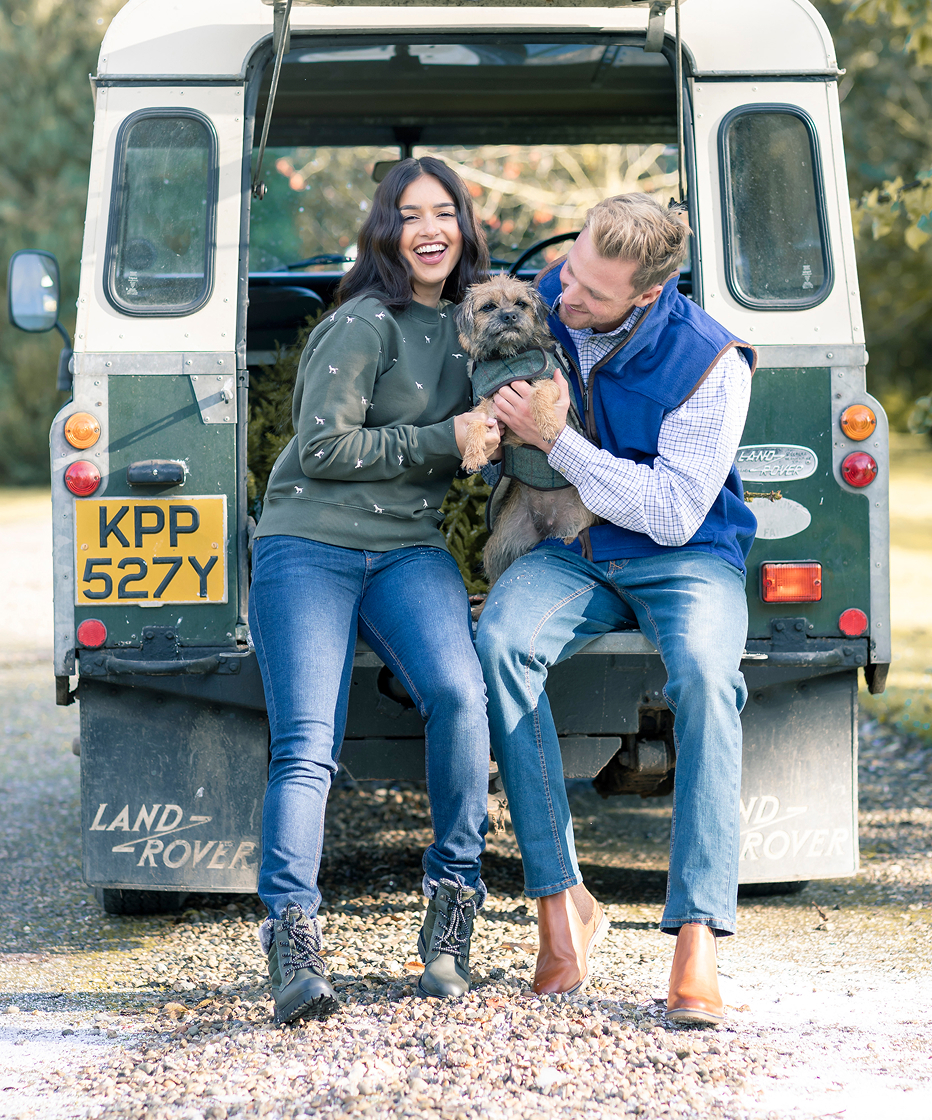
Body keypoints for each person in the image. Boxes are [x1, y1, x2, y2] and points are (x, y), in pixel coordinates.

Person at [475, 193, 757, 1026]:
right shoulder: (553, 302)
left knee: (708, 678)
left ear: (645, 295)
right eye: (568, 276)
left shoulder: (713, 363)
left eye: (591, 296)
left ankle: (697, 937)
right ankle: (563, 905)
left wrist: (558, 441)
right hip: (576, 550)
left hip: (683, 554)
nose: (565, 301)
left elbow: (671, 512)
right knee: (501, 642)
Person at [249, 157, 500, 1024]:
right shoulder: (363, 323)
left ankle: (452, 912)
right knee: (307, 743)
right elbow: (321, 451)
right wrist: (447, 437)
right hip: (308, 543)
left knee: (463, 696)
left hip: (407, 550)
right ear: (385, 232)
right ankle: (292, 940)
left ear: (465, 227)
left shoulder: (475, 331)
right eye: (409, 215)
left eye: (446, 213)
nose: (430, 229)